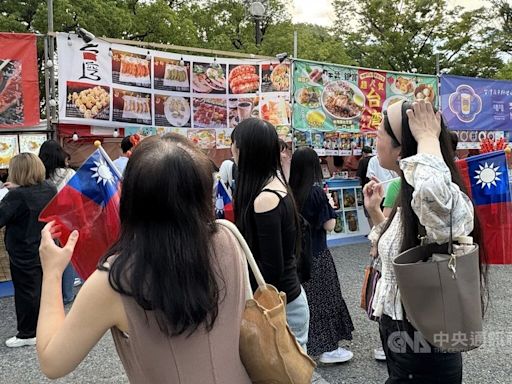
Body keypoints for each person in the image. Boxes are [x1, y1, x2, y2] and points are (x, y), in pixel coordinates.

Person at [36, 135, 251, 383]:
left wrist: (52, 273)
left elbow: (53, 362)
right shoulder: (227, 237)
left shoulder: (114, 280)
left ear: (130, 196)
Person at [363, 100, 486, 383]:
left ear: (401, 149)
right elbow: (405, 252)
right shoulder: (408, 196)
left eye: (380, 133)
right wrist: (375, 213)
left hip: (423, 347)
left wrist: (427, 139)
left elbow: (439, 208)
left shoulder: (440, 197)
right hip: (402, 339)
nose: (375, 139)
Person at [231, 118, 309, 351]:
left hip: (282, 307)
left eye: (234, 144)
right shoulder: (275, 184)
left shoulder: (265, 200)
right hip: (287, 299)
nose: (232, 150)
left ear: (247, 150)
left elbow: (271, 270)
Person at [289, 147, 354, 364]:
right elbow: (330, 225)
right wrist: (329, 206)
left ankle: (308, 345)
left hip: (299, 257)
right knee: (326, 299)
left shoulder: (290, 191)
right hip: (318, 254)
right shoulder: (316, 192)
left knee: (308, 302)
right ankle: (328, 349)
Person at [1, 153, 56, 348]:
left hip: (23, 251)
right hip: (45, 245)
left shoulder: (16, 196)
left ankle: (27, 333)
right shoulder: (50, 188)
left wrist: (10, 194)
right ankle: (44, 327)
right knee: (43, 289)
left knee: (26, 293)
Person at [39, 140, 78, 305]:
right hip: (67, 220)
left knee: (48, 259)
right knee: (67, 257)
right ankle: (68, 295)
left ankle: (50, 295)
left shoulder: (39, 175)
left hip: (45, 221)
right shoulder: (69, 174)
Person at [356, 146, 375, 227]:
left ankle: (372, 231)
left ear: (363, 153)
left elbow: (358, 177)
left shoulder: (362, 161)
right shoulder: (376, 160)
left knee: (369, 212)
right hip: (378, 187)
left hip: (367, 189)